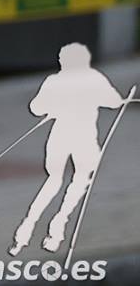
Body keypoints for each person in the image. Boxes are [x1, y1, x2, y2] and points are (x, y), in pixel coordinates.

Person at [13, 43, 134, 256]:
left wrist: (52, 107)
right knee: (80, 178)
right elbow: (114, 102)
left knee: (55, 180)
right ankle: (57, 225)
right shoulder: (93, 78)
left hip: (62, 136)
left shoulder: (55, 81)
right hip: (83, 137)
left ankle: (29, 227)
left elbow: (35, 107)